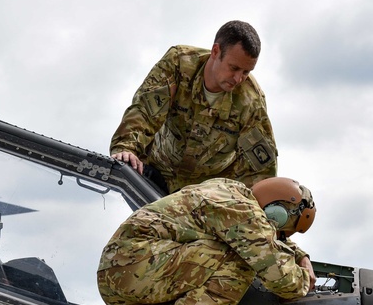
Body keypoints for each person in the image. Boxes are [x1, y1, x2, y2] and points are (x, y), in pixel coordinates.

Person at [57, 177, 316, 305]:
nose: (279, 236)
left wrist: (299, 255)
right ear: (278, 212)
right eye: (282, 230)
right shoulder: (240, 209)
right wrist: (305, 279)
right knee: (244, 258)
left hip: (126, 281)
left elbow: (264, 240)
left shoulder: (232, 197)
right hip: (136, 264)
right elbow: (281, 278)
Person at [110, 20, 278, 194]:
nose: (238, 79)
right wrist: (126, 147)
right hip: (157, 174)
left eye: (246, 72)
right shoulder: (178, 64)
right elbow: (144, 112)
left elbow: (260, 171)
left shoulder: (251, 102)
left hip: (204, 196)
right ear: (215, 51)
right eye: (233, 68)